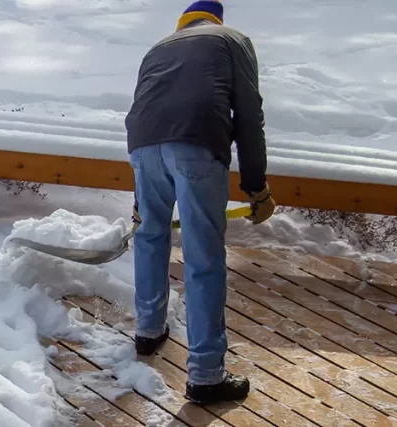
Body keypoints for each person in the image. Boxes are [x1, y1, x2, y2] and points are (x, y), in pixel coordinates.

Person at [123, 0, 276, 405]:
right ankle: (206, 375)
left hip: (142, 148)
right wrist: (256, 187)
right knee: (202, 254)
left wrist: (140, 197)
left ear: (183, 23)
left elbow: (147, 110)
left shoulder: (158, 48)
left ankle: (148, 329)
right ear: (216, 20)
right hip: (196, 143)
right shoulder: (232, 40)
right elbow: (248, 115)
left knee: (151, 236)